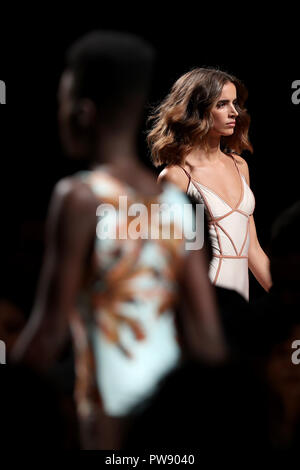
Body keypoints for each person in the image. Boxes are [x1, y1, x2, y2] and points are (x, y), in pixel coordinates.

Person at [11, 32, 227, 449]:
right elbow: (206, 337)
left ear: (83, 113)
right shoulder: (177, 205)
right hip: (169, 429)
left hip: (104, 425)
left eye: (61, 103)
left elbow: (49, 331)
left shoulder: (80, 198)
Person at [147, 67, 272, 301]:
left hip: (240, 303)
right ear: (198, 109)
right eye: (222, 104)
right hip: (204, 301)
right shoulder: (176, 176)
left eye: (235, 103)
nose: (234, 112)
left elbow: (252, 250)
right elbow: (165, 258)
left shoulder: (240, 166)